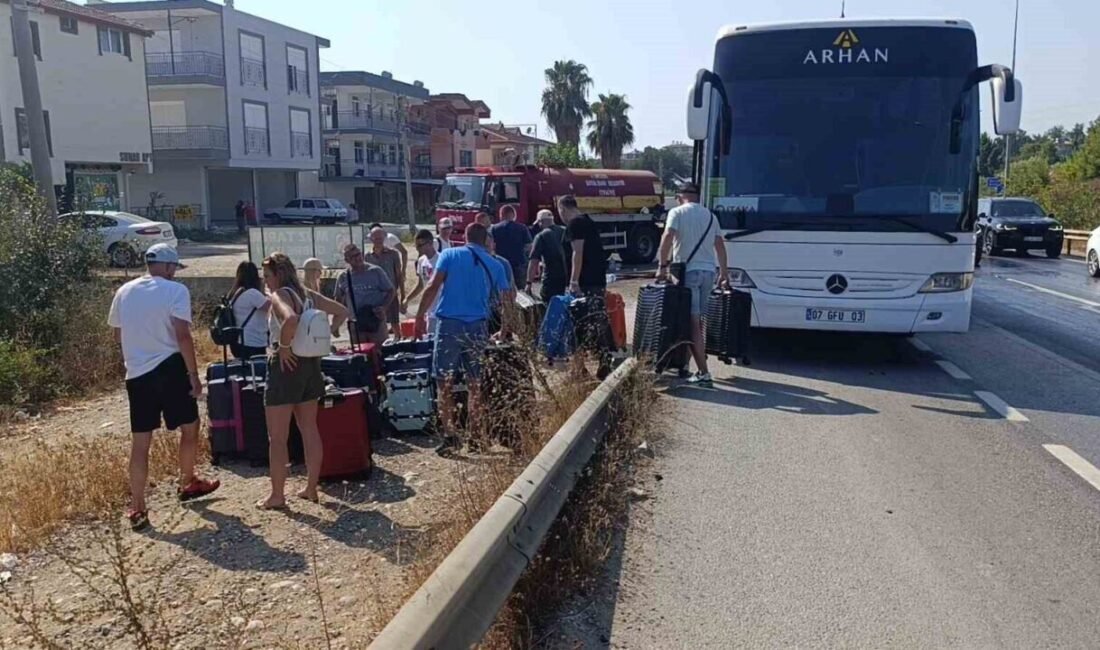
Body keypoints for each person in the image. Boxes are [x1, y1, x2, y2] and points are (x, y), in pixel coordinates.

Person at [107, 243, 220, 530]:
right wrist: (193, 375)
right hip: (169, 368)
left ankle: (138, 507)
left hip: (137, 373)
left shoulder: (124, 291)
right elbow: (182, 335)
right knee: (190, 427)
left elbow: (118, 336)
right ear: (169, 266)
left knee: (141, 442)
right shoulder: (175, 291)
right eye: (174, 268)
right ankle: (187, 481)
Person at [258, 253, 348, 509]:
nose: (266, 282)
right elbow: (342, 311)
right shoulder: (309, 295)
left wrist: (284, 346)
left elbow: (290, 319)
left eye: (268, 276)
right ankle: (311, 487)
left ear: (278, 275)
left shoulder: (280, 295)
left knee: (278, 437)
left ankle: (277, 495)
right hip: (311, 363)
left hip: (285, 365)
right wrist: (332, 330)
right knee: (309, 428)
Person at [414, 223, 512, 455]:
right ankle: (476, 435)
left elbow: (432, 286)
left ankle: (451, 436)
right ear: (485, 239)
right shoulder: (495, 264)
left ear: (466, 236)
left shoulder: (449, 254)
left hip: (449, 324)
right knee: (475, 383)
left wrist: (419, 317)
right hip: (478, 325)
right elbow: (508, 300)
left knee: (443, 381)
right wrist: (504, 329)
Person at [656, 183, 729, 386]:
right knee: (697, 321)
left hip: (689, 273)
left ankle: (704, 373)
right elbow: (720, 245)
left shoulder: (677, 212)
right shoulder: (710, 216)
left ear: (680, 197)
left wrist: (662, 266)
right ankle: (686, 365)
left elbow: (667, 237)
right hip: (708, 273)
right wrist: (723, 273)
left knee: (693, 323)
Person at [559, 195, 612, 378]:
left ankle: (581, 368)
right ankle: (602, 361)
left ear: (563, 209)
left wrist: (574, 281)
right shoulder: (588, 221)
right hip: (597, 279)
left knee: (579, 323)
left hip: (585, 282)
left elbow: (577, 252)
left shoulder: (575, 224)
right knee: (597, 321)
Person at [333, 243, 395, 345]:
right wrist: (336, 324)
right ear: (347, 260)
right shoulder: (344, 277)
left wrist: (384, 308)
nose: (358, 258)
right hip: (356, 323)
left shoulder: (375, 271)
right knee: (360, 353)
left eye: (358, 254)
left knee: (381, 351)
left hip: (375, 320)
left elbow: (390, 291)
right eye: (353, 256)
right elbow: (338, 301)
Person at [365, 226, 405, 336]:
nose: (378, 241)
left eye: (380, 238)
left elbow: (399, 275)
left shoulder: (393, 254)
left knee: (394, 322)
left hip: (390, 293)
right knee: (377, 324)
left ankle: (398, 340)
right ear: (371, 239)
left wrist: (403, 295)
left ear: (384, 238)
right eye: (375, 238)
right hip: (375, 295)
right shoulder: (367, 257)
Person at [228, 261, 270, 360]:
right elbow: (272, 307)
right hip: (253, 342)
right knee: (257, 368)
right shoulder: (253, 293)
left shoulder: (235, 293)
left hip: (239, 341)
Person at [404, 229, 441, 334]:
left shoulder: (441, 260)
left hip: (440, 309)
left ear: (430, 243)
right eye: (416, 246)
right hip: (429, 310)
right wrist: (407, 299)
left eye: (420, 245)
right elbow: (421, 284)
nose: (417, 249)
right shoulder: (421, 261)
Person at [526, 209, 567, 302]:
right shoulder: (565, 231)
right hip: (567, 277)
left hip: (550, 279)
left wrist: (529, 283)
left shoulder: (541, 236)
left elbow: (534, 261)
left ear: (541, 222)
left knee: (549, 304)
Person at [490, 204, 533, 283]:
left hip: (501, 263)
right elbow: (529, 246)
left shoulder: (494, 228)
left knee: (503, 287)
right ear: (514, 215)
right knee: (520, 288)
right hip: (519, 263)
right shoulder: (522, 228)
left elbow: (491, 246)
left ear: (501, 215)